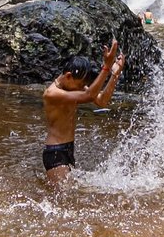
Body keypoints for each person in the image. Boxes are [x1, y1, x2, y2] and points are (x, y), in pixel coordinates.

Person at [42, 39, 125, 184]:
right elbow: (89, 96)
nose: (82, 87)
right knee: (64, 198)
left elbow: (101, 101)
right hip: (55, 152)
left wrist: (114, 75)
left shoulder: (73, 86)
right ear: (68, 76)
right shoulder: (52, 93)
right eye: (81, 84)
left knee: (68, 197)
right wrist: (106, 67)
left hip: (67, 149)